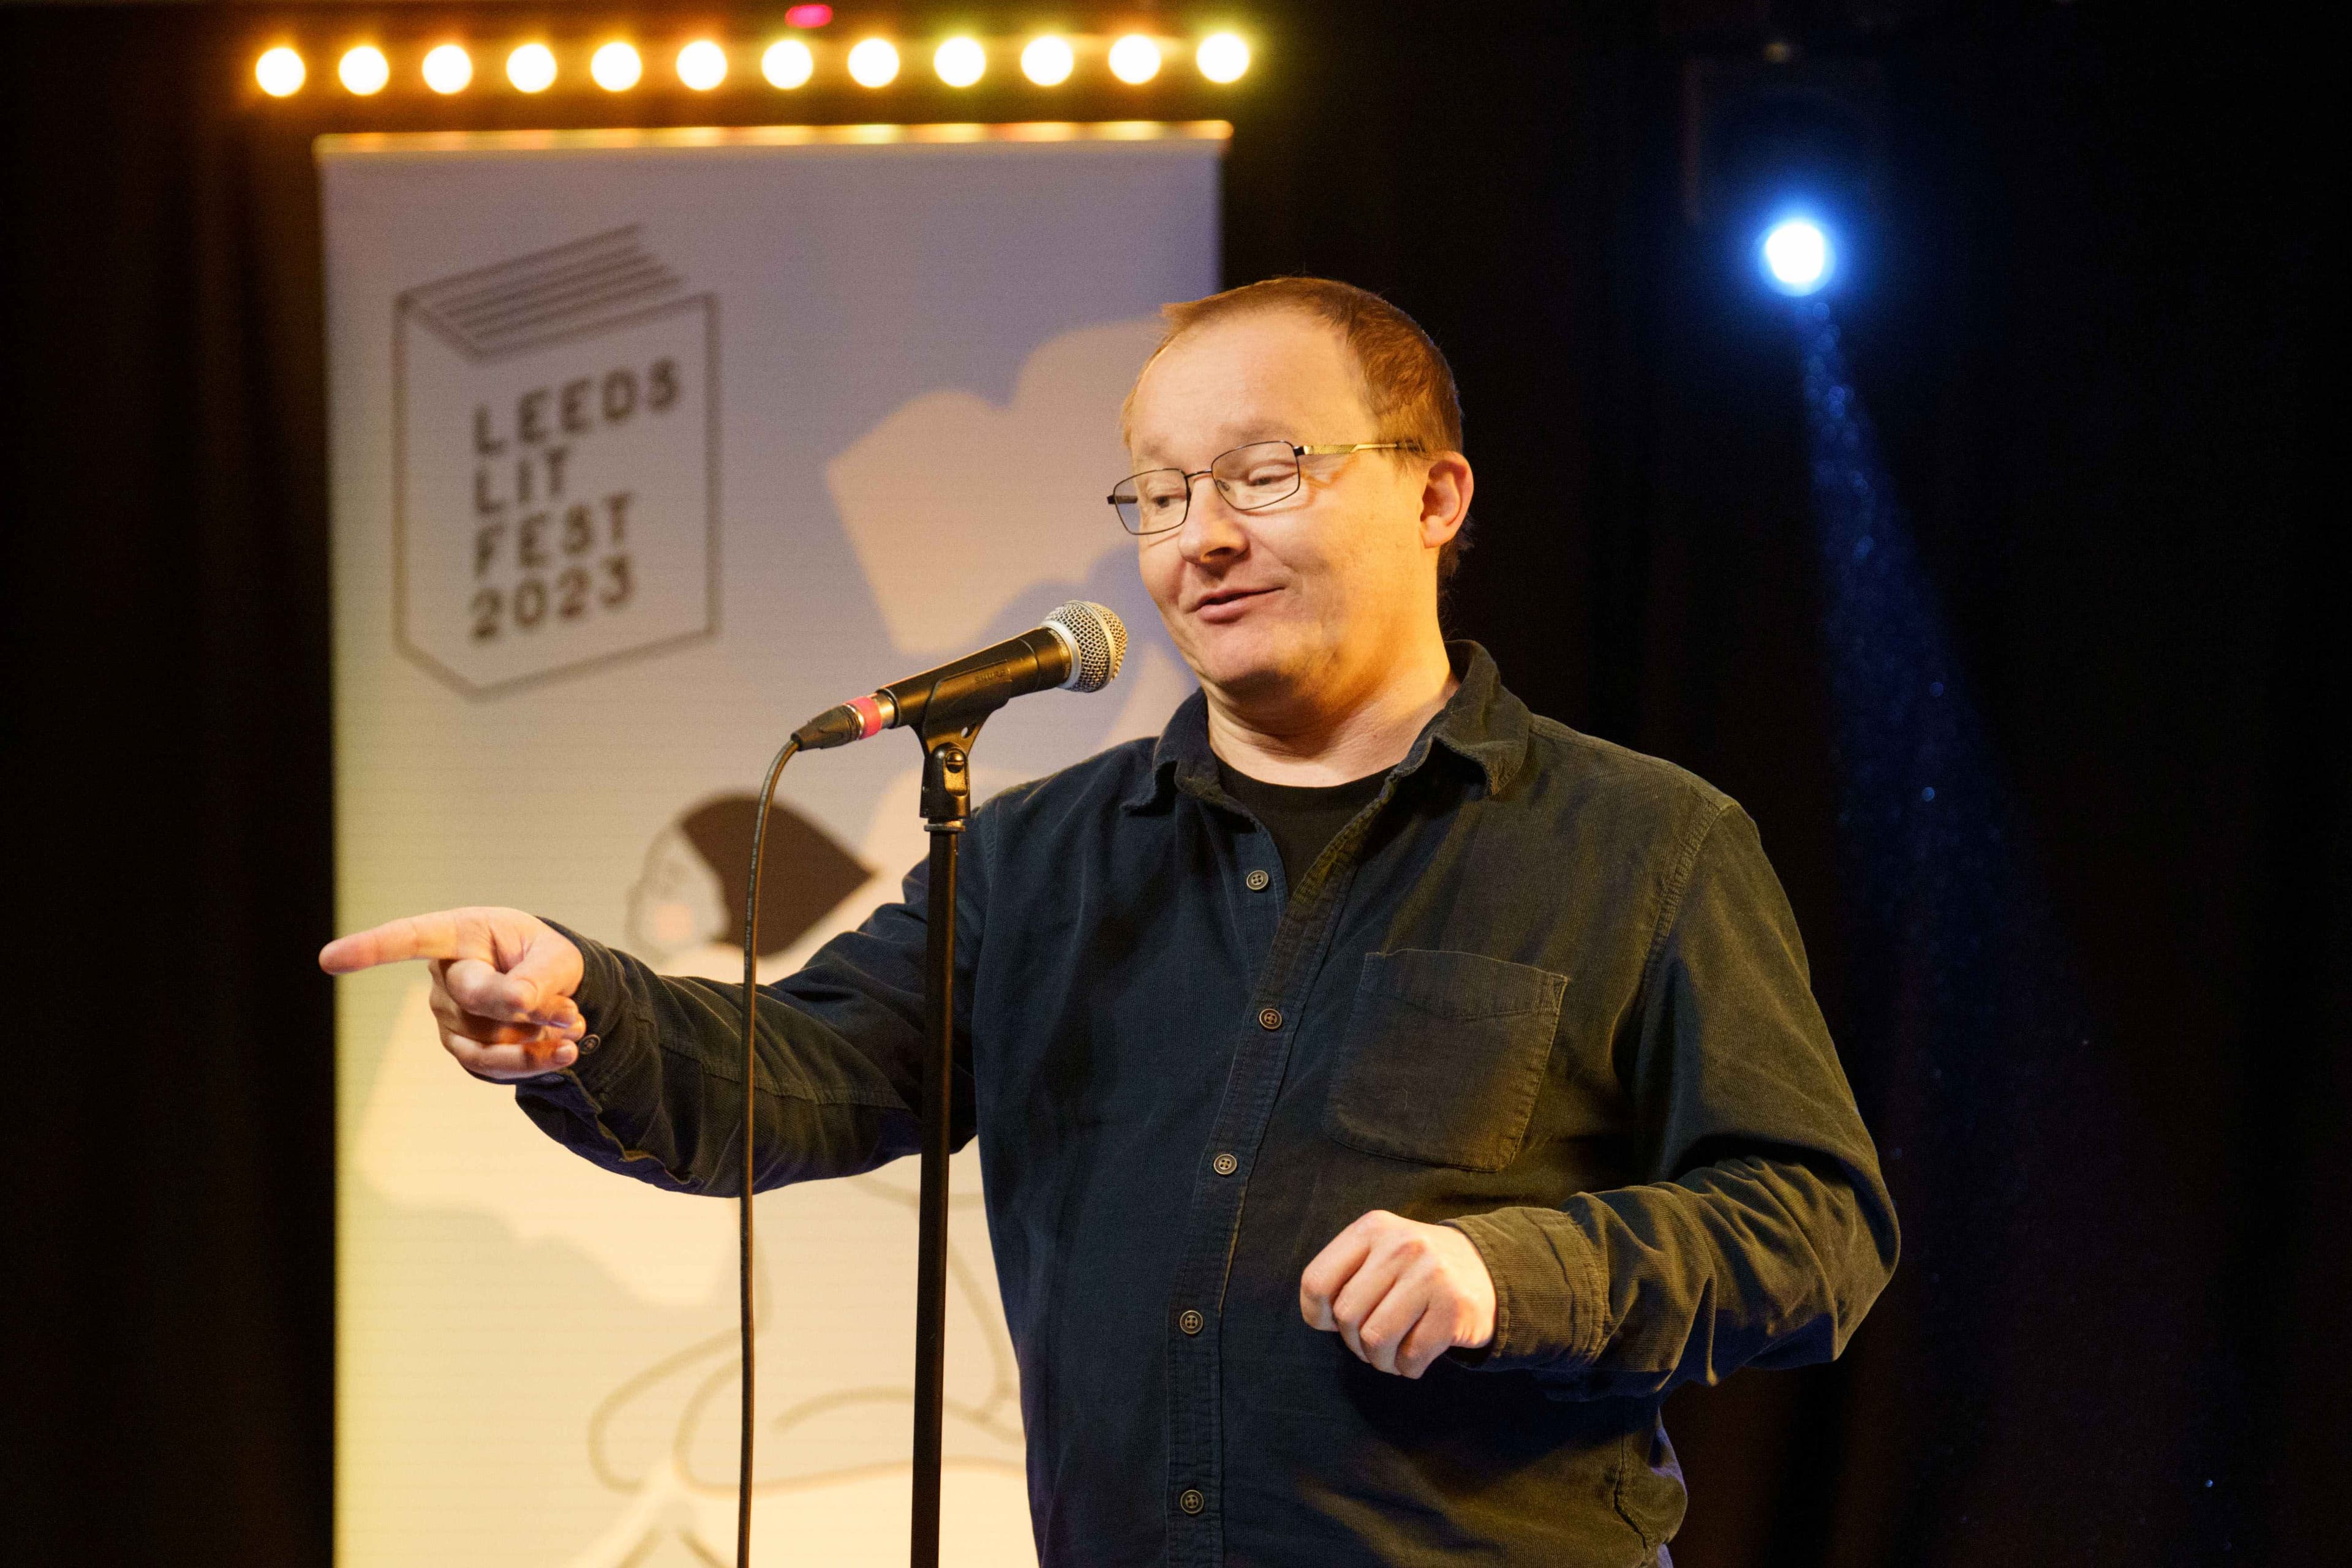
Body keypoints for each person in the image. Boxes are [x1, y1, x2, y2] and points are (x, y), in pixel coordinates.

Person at [322, 277, 1899, 1567]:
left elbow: (1815, 1228)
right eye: (1157, 493)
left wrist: (1527, 1273)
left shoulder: (1643, 842)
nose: (1197, 536)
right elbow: (800, 1073)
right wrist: (580, 1012)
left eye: (1264, 476)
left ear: (1437, 493)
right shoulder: (1038, 860)